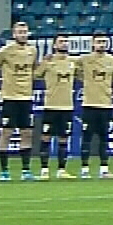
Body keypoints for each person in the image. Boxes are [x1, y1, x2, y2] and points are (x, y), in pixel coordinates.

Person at [0, 20, 41, 180]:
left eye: (24, 32)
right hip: (10, 97)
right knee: (6, 132)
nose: (22, 35)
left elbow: (35, 69)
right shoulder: (6, 51)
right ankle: (4, 170)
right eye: (19, 32)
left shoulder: (32, 50)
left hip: (26, 97)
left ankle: (26, 170)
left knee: (26, 133)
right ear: (13, 34)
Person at [78, 33, 113, 179]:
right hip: (89, 104)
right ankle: (84, 169)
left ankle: (104, 169)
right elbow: (68, 66)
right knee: (87, 138)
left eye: (104, 42)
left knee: (104, 138)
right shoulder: (84, 60)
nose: (102, 44)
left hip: (105, 105)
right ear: (93, 43)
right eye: (99, 42)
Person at [37, 37, 79, 179]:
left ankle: (61, 170)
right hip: (50, 106)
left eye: (66, 41)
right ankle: (44, 170)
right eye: (61, 41)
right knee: (46, 137)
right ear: (54, 45)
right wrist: (43, 62)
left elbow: (82, 75)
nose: (64, 43)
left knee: (63, 138)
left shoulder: (73, 62)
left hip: (67, 106)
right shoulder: (48, 62)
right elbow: (35, 75)